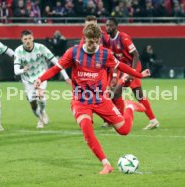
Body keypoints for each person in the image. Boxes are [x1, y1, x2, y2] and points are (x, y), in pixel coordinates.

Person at [34, 23, 151, 174]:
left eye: (96, 41)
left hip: (100, 99)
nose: (93, 44)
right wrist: (40, 79)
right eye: (91, 41)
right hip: (80, 101)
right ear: (84, 38)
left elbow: (121, 65)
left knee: (124, 130)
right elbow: (56, 68)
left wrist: (139, 75)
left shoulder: (105, 54)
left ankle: (129, 106)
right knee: (87, 129)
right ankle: (106, 164)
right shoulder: (73, 53)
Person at [105, 17, 159, 130]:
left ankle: (119, 118)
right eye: (107, 25)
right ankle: (153, 120)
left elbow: (136, 55)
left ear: (115, 26)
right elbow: (115, 60)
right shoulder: (109, 40)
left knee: (115, 93)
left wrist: (132, 72)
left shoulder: (123, 38)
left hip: (132, 67)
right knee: (138, 95)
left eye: (110, 25)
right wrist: (115, 75)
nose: (108, 27)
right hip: (124, 68)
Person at [14, 30, 71, 128]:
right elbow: (16, 71)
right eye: (25, 39)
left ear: (33, 38)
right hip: (27, 80)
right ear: (22, 40)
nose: (28, 41)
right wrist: (23, 69)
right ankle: (40, 117)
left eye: (29, 38)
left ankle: (42, 113)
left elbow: (57, 63)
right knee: (33, 103)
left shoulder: (41, 48)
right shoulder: (18, 51)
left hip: (41, 76)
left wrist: (66, 77)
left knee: (40, 95)